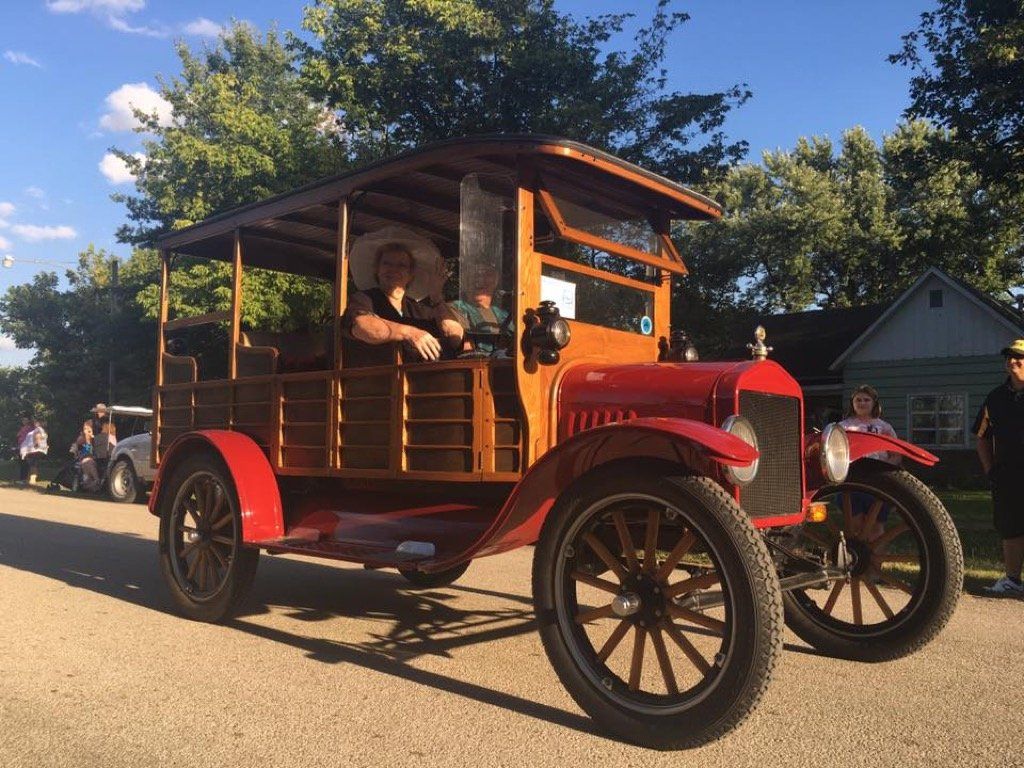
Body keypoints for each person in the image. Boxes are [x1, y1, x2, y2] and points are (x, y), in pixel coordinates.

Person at [344, 227, 463, 362]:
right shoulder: (365, 299)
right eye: (387, 263)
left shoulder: (418, 309)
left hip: (425, 379)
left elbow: (454, 338)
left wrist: (436, 296)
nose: (393, 269)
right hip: (380, 379)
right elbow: (362, 326)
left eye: (401, 265)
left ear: (411, 274)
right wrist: (410, 333)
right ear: (377, 269)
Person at [973, 339, 1024, 597]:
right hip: (1008, 475)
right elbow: (981, 436)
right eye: (1009, 357)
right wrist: (990, 469)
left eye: (1019, 357)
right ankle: (1013, 580)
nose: (1012, 361)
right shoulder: (995, 398)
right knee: (1011, 527)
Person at [838, 385, 900, 541]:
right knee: (855, 524)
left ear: (874, 403)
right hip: (852, 479)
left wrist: (882, 470)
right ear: (852, 403)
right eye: (858, 400)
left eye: (866, 400)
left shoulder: (884, 427)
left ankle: (875, 561)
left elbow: (896, 455)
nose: (862, 403)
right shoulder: (843, 427)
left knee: (876, 525)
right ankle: (856, 556)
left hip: (877, 481)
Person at [449, 264, 510, 355]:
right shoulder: (455, 308)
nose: (480, 280)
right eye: (475, 274)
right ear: (465, 280)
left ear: (496, 280)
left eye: (487, 274)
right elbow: (467, 348)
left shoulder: (504, 314)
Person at [19, 417, 48, 485]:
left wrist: (36, 444)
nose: (34, 423)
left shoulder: (38, 429)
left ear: (39, 423)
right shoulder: (42, 430)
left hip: (34, 450)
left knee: (33, 465)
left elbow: (37, 437)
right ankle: (31, 479)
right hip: (37, 450)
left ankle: (32, 480)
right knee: (33, 465)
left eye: (36, 422)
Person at [15, 415, 32, 483]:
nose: (24, 421)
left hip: (26, 447)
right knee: (22, 463)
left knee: (24, 463)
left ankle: (23, 479)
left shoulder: (29, 428)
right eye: (23, 420)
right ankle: (23, 479)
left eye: (25, 420)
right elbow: (18, 435)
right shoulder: (23, 428)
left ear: (28, 421)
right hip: (21, 447)